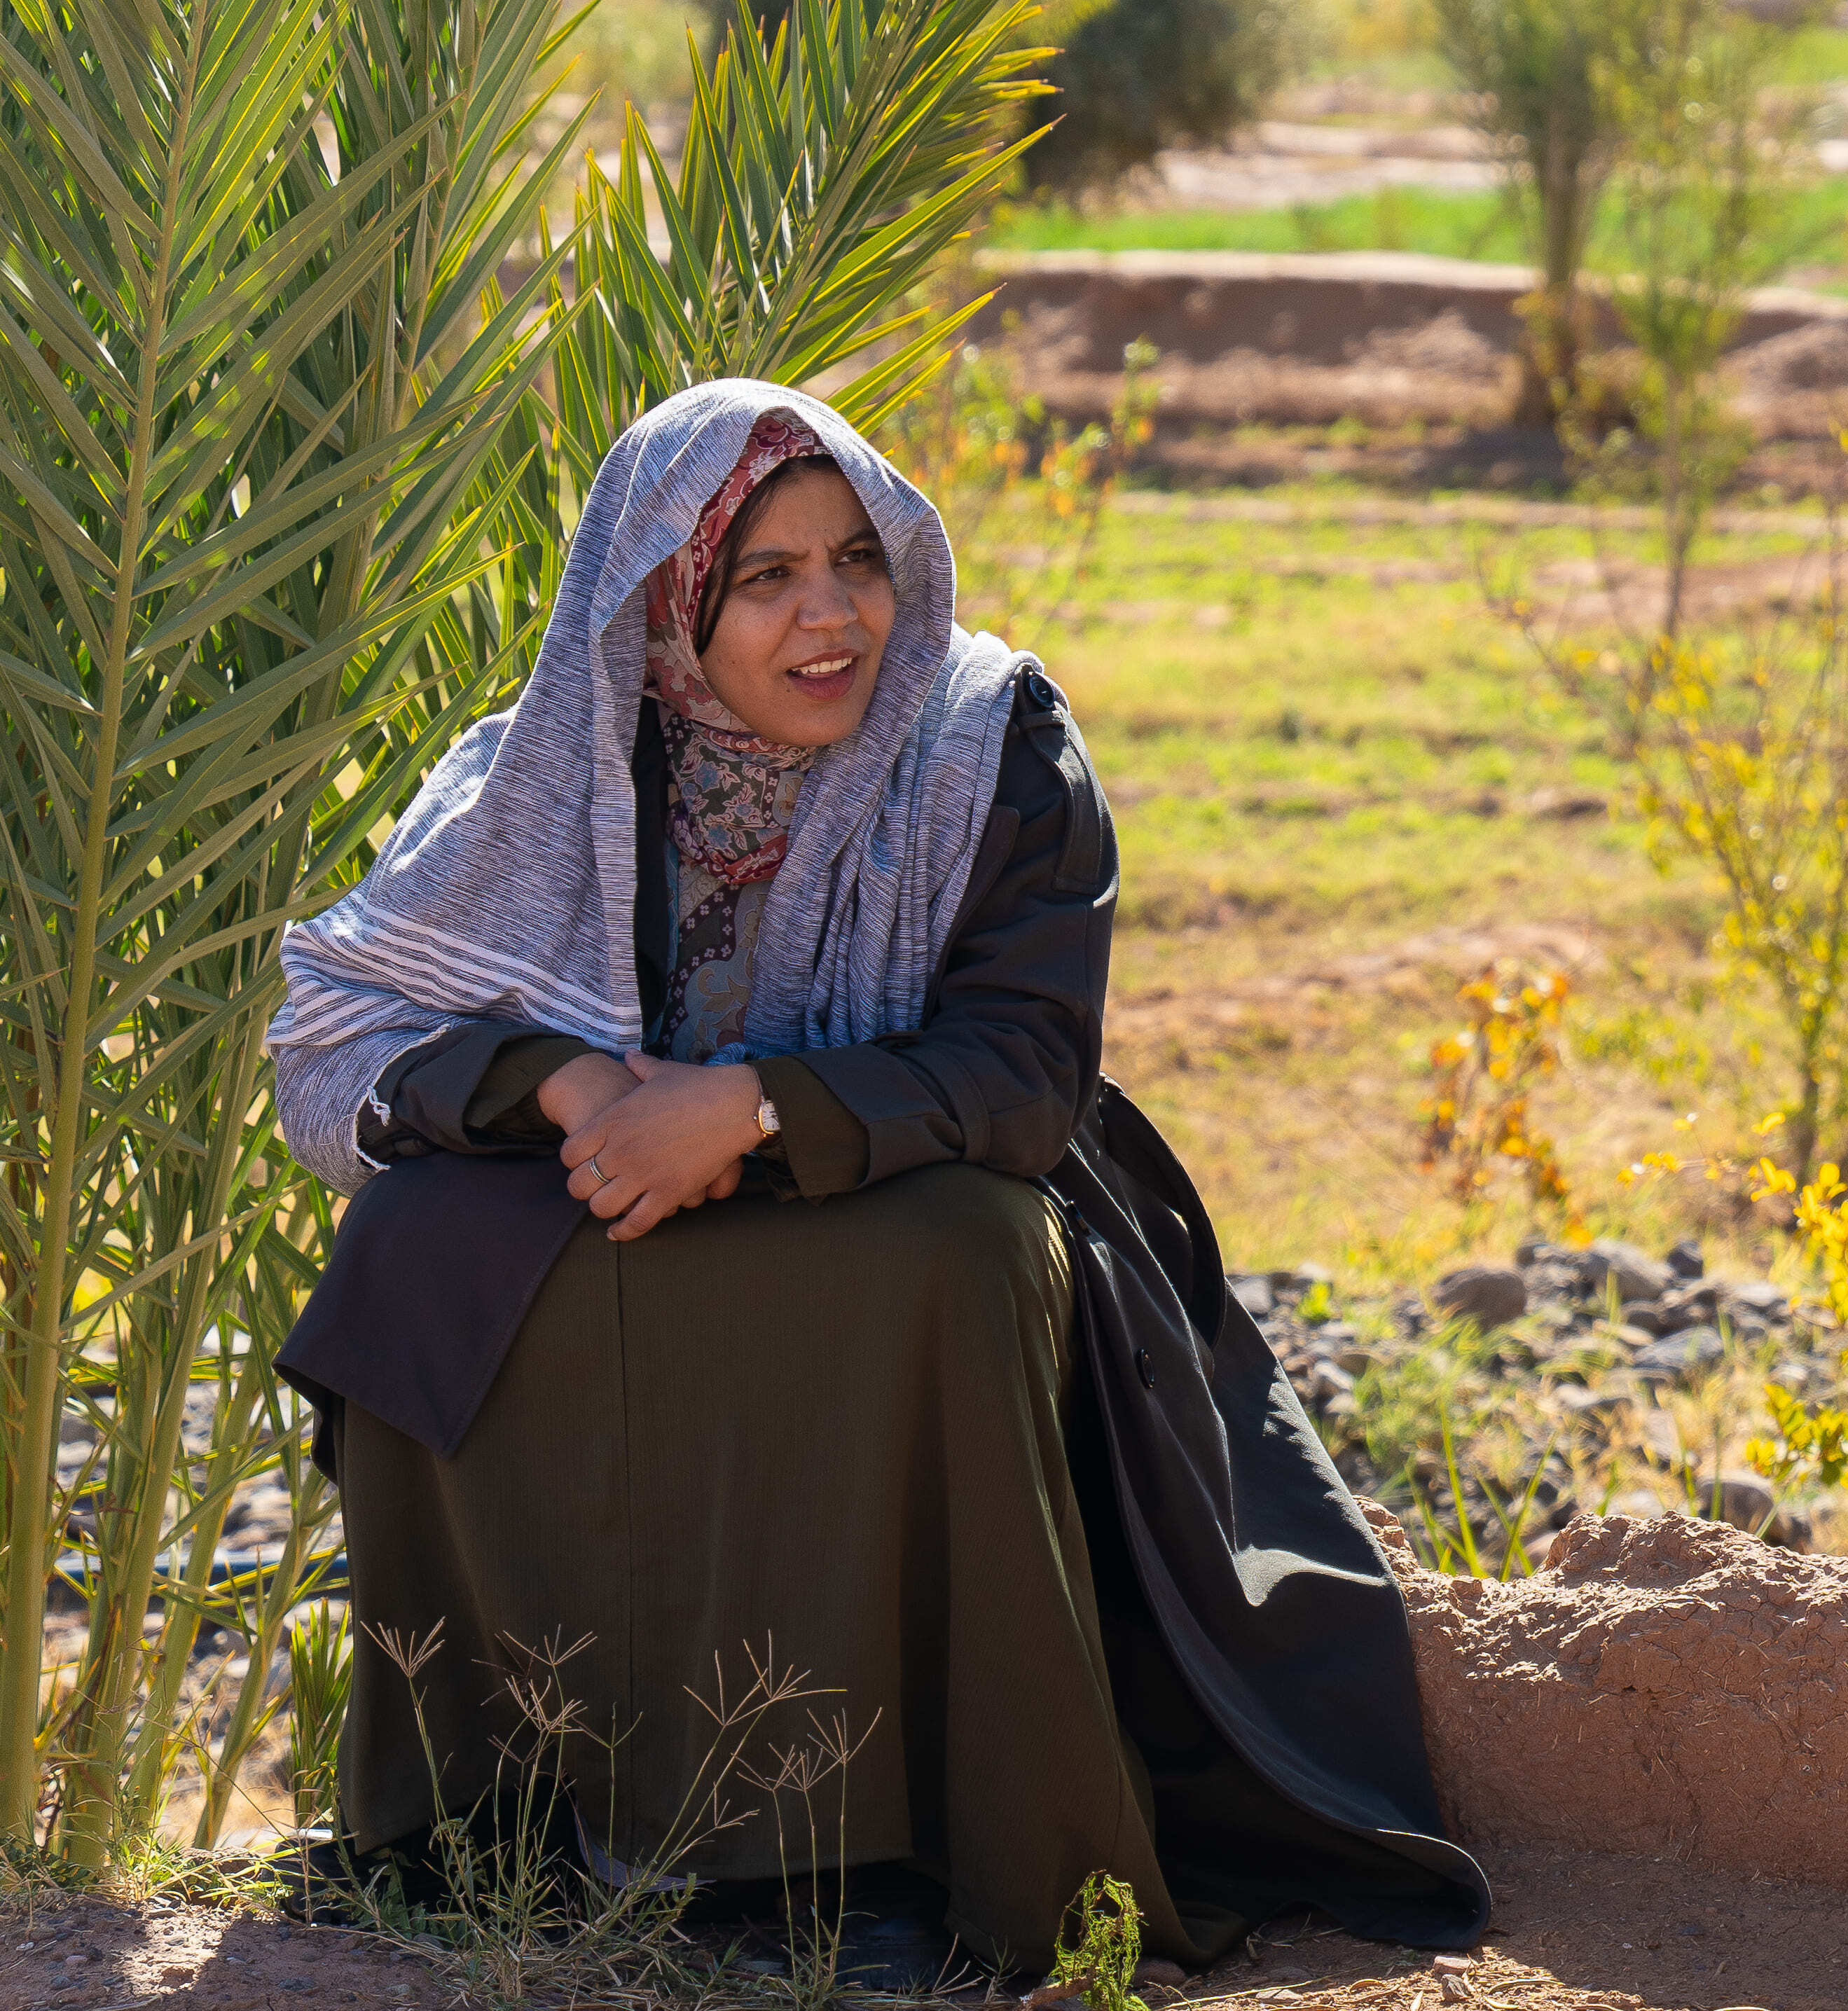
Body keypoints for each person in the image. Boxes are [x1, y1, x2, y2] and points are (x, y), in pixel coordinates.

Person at [268, 380, 1488, 1982]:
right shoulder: (550, 770)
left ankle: (890, 1856)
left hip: (910, 1181)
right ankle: (510, 1820)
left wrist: (754, 1105)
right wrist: (560, 1078)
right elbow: (347, 1035)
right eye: (763, 577)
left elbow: (1023, 1077)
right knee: (418, 1237)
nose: (831, 615)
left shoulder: (993, 744)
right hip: (643, 1179)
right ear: (666, 600)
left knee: (958, 1252)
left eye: (856, 557)